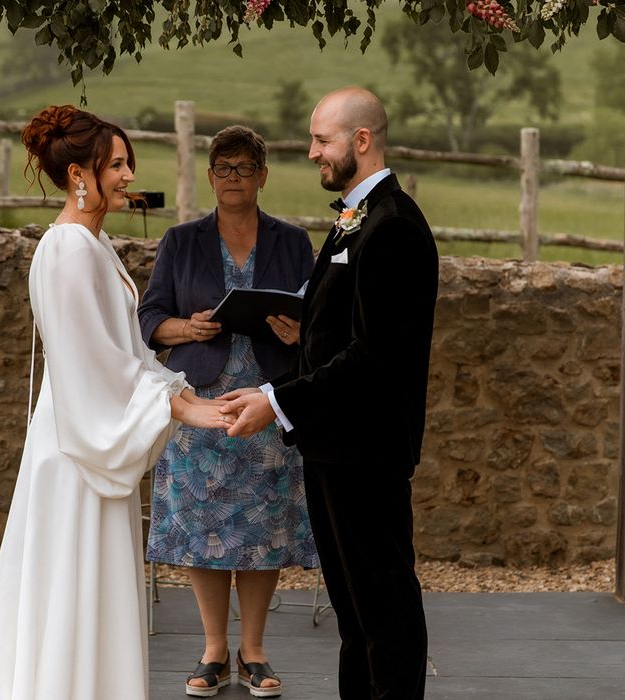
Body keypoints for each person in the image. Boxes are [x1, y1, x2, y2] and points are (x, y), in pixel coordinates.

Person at [0, 105, 234, 700]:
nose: (129, 174)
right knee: (72, 595)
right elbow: (93, 366)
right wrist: (179, 406)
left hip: (86, 441)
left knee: (86, 600)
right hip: (78, 454)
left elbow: (125, 352)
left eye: (128, 161)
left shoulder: (92, 243)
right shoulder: (69, 251)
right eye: (115, 164)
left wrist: (180, 394)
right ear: (79, 174)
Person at [220, 88, 439, 699]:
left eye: (322, 140)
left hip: (367, 453)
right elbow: (340, 334)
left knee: (384, 609)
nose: (312, 151)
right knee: (354, 614)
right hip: (334, 449)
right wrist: (282, 368)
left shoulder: (392, 227)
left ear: (360, 141)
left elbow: (375, 357)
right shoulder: (356, 218)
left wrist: (277, 402)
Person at [138, 125, 319, 698]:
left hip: (268, 403)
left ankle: (255, 650)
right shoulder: (181, 241)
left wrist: (300, 333)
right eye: (222, 168)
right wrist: (184, 327)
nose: (232, 178)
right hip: (202, 406)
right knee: (203, 529)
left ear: (263, 175)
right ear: (210, 176)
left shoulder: (292, 242)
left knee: (262, 529)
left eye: (244, 168)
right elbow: (148, 321)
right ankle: (215, 650)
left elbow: (321, 319)